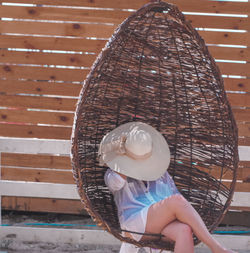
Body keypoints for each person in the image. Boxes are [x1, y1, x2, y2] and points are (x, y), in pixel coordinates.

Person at [98, 122, 237, 253]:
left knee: (184, 229)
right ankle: (216, 247)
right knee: (176, 201)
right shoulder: (113, 174)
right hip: (134, 226)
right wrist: (127, 160)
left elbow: (172, 200)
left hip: (160, 223)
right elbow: (114, 183)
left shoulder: (160, 174)